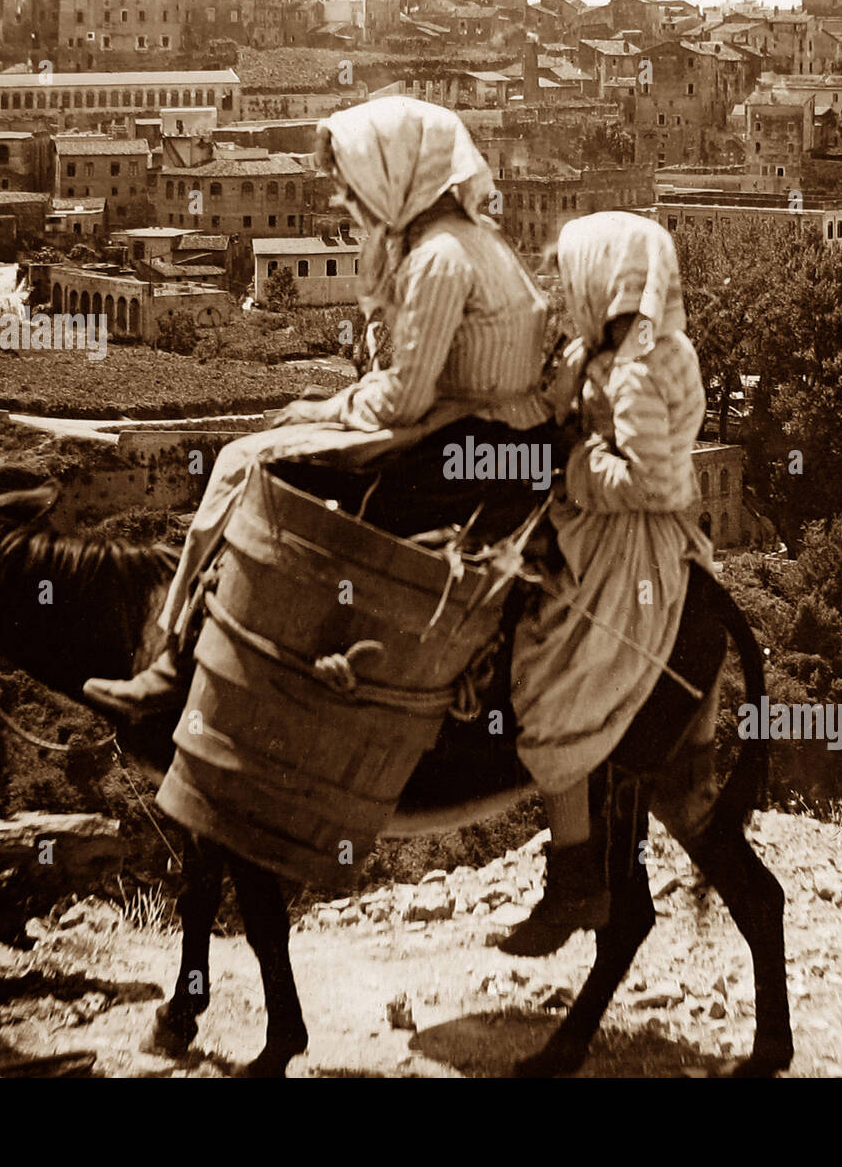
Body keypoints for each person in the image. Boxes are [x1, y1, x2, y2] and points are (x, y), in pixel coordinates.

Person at [84, 97, 551, 719]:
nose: (343, 201)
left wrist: (325, 409)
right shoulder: (483, 240)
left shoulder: (439, 258)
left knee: (245, 461)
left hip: (457, 441)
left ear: (396, 176)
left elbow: (407, 397)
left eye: (353, 183)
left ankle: (176, 659)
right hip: (506, 437)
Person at [499, 212, 713, 957]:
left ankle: (573, 878)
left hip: (627, 546)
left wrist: (576, 466)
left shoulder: (637, 371)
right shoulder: (625, 353)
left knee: (547, 670)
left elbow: (654, 481)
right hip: (619, 526)